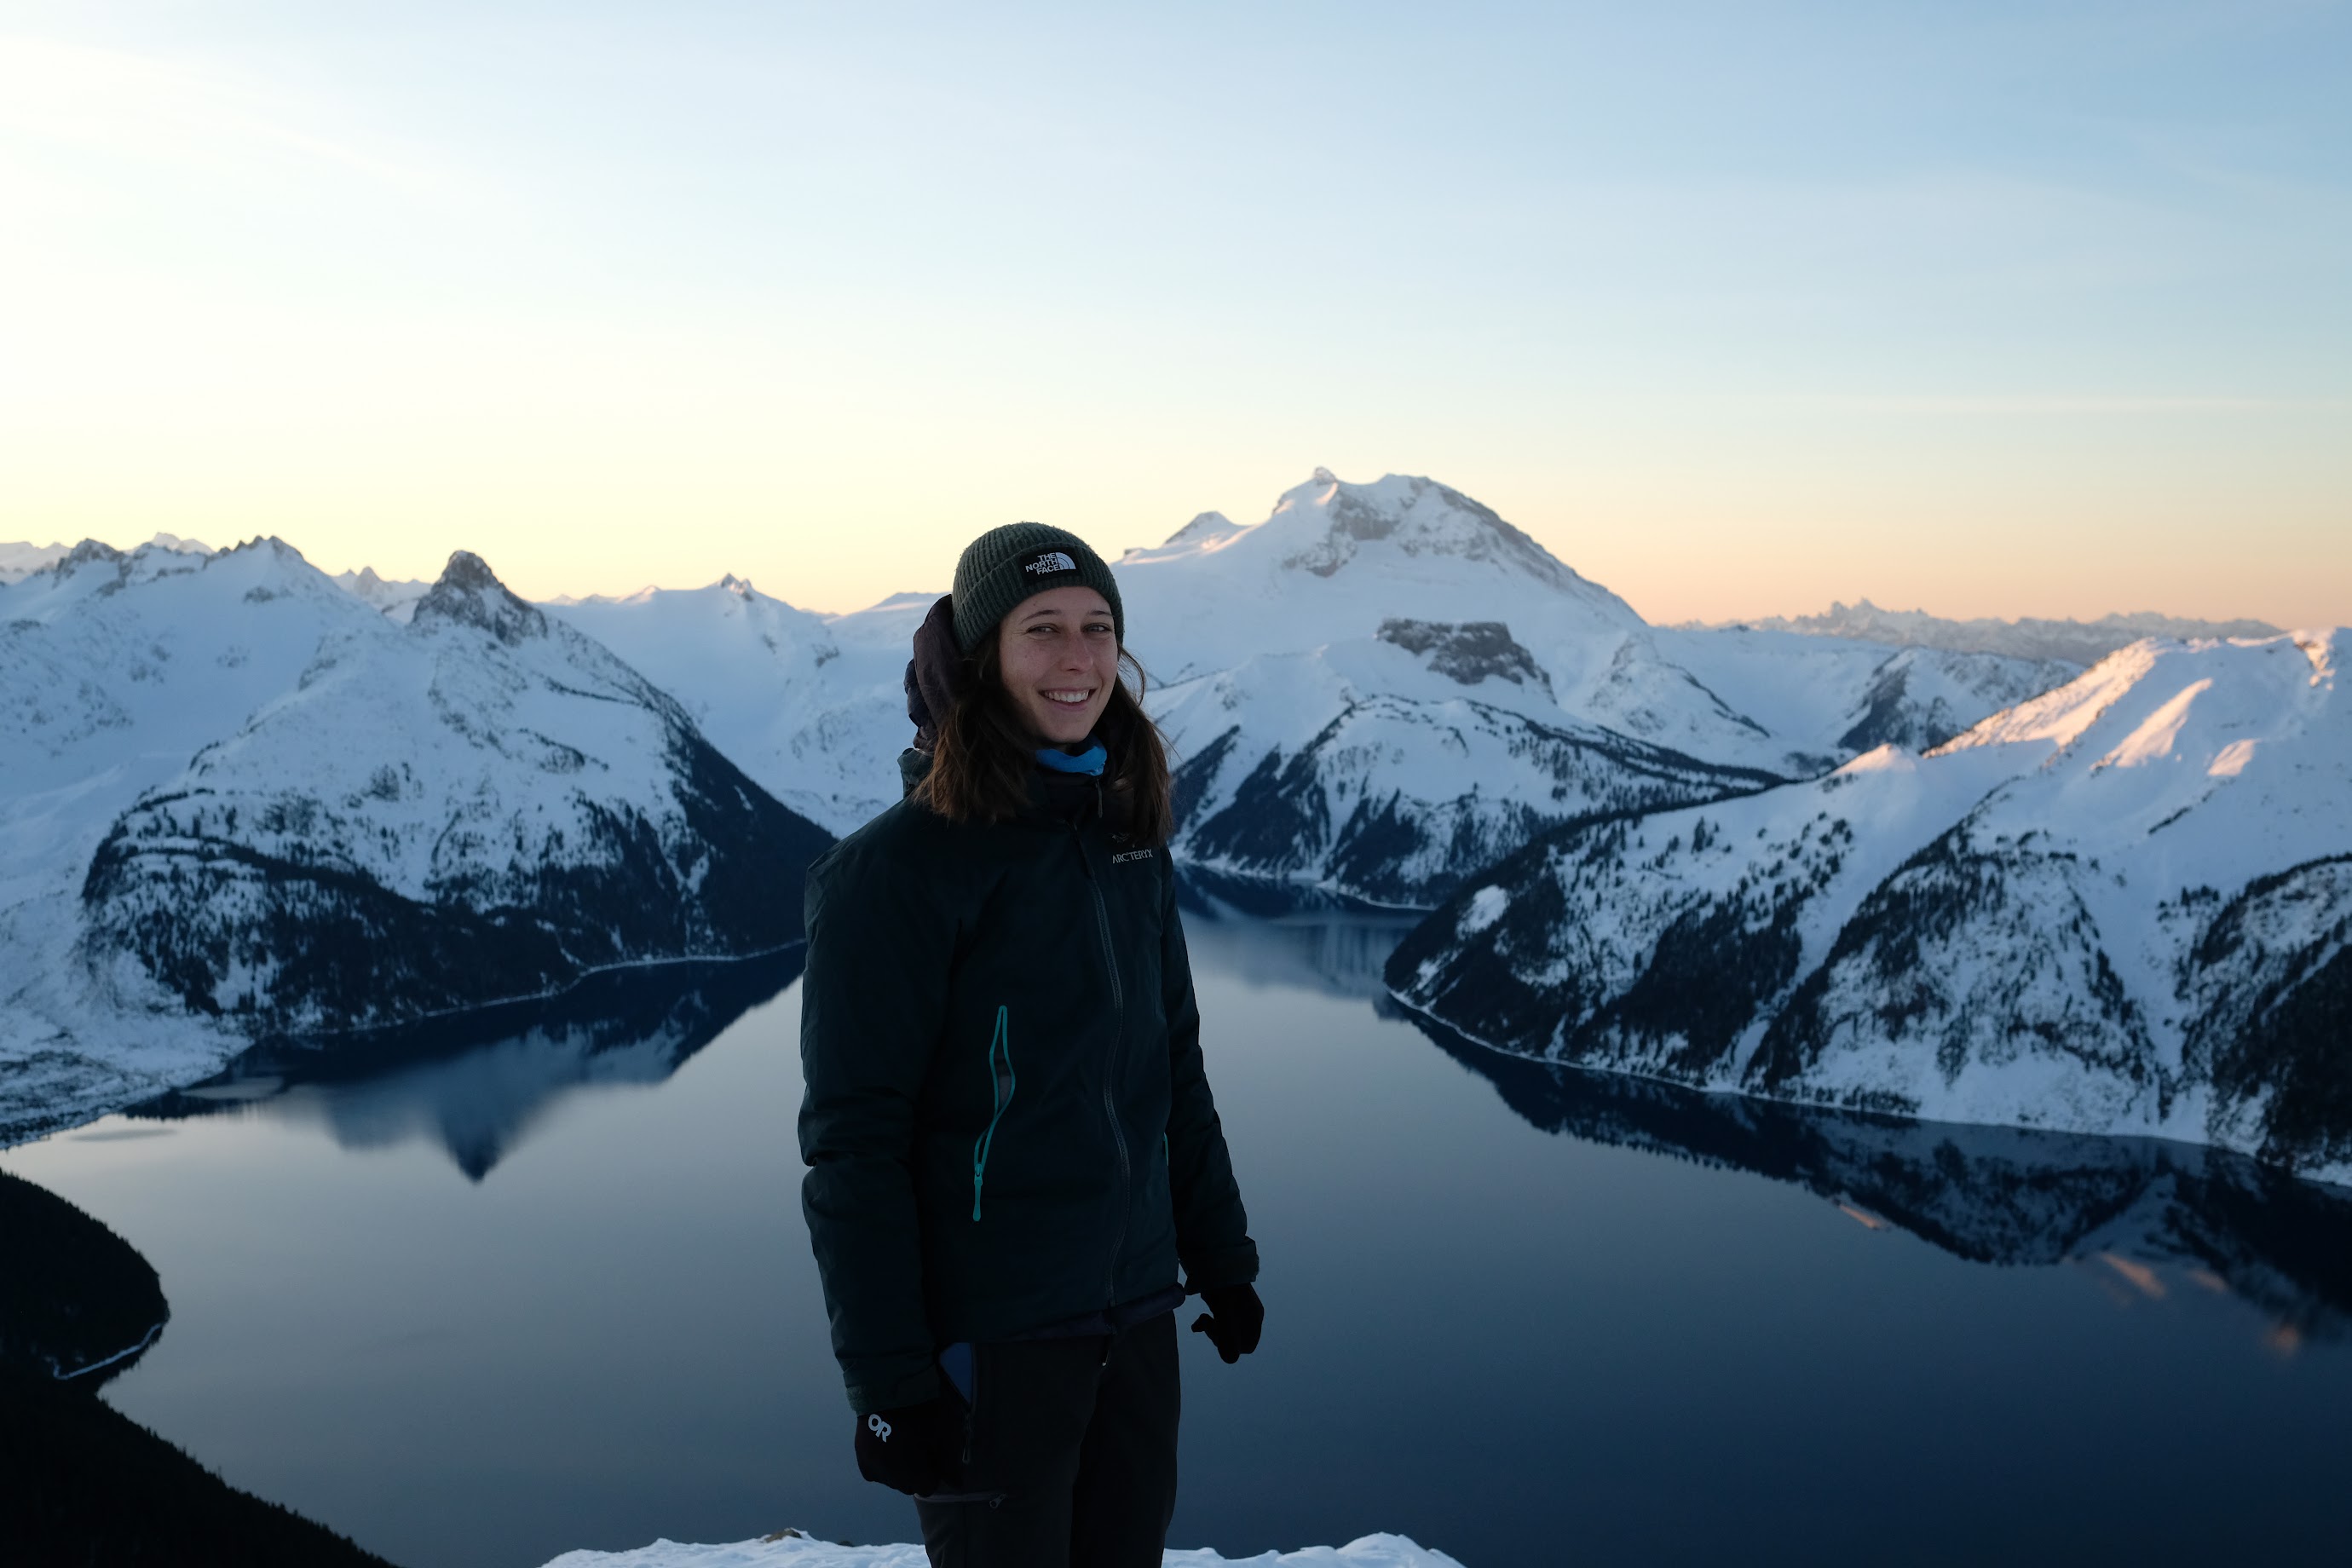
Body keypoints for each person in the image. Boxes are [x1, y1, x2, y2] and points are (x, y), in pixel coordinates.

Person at [797, 522, 1264, 1567]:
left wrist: (1220, 1257)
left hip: (1136, 1319)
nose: (1078, 658)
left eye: (1098, 628)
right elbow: (853, 1147)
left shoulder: (1127, 838)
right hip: (995, 1343)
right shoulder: (897, 870)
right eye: (1041, 629)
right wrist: (887, 1384)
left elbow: (1169, 1068)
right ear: (979, 660)